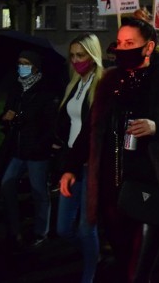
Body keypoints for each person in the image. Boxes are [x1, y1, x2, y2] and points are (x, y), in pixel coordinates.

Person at [86, 17, 159, 282]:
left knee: (138, 273)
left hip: (153, 187)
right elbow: (92, 130)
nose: (123, 48)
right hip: (114, 190)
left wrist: (157, 127)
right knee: (125, 264)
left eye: (131, 43)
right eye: (120, 43)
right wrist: (69, 168)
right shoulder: (110, 81)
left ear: (148, 48)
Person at [0, 50, 59, 250]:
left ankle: (40, 233)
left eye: (26, 63)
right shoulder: (17, 88)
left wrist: (40, 142)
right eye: (19, 62)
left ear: (35, 66)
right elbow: (6, 113)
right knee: (6, 184)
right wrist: (5, 118)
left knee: (39, 192)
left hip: (36, 152)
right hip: (17, 149)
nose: (22, 66)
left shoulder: (45, 92)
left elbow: (50, 124)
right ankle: (15, 229)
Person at [57, 34, 104, 283]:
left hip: (91, 165)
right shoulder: (74, 83)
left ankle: (90, 273)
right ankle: (92, 252)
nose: (75, 60)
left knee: (87, 227)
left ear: (93, 55)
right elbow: (68, 123)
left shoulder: (102, 85)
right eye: (72, 55)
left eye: (81, 55)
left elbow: (92, 130)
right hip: (71, 164)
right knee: (64, 228)